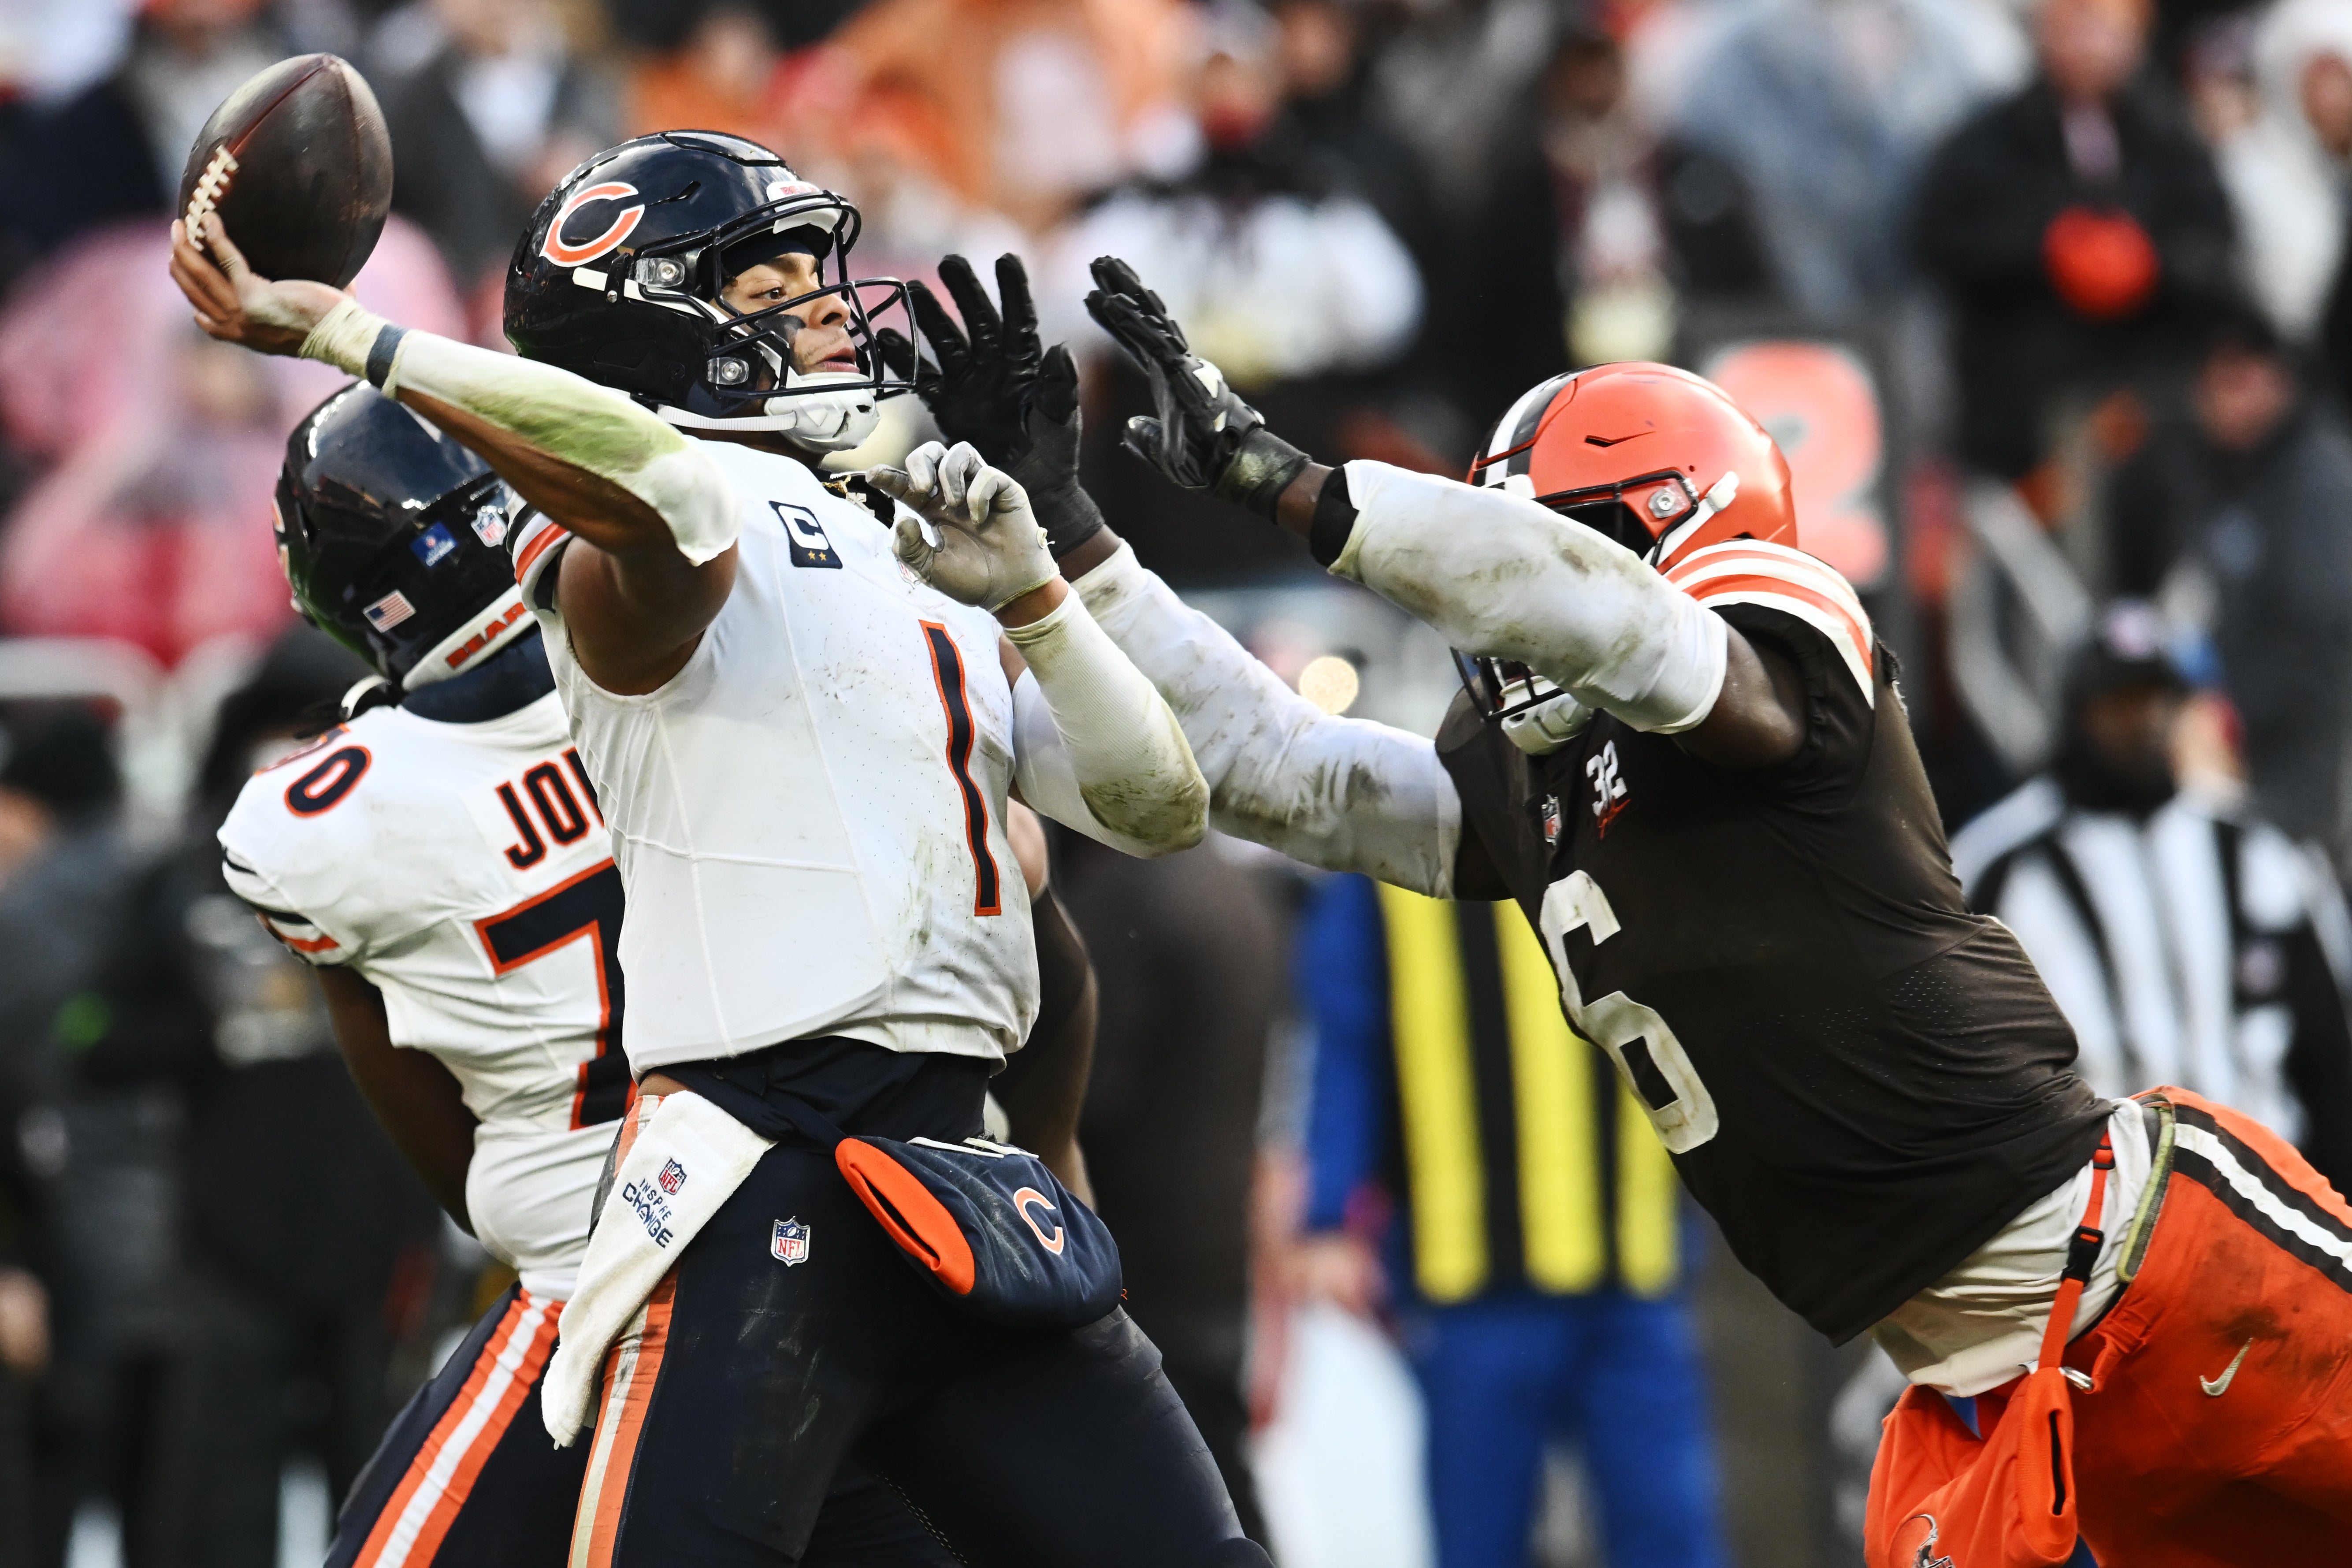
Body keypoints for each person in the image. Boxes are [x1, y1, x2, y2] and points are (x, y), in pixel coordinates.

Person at [892, 253, 2352, 1562]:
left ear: (1674, 530)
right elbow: (1277, 766)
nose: (1489, 606)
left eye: (1550, 535)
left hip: (2146, 1264)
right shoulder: (1530, 783)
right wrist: (1081, 547)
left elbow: (1616, 621)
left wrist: (1304, 490)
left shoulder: (1784, 658)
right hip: (1959, 1390)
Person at [167, 130, 1251, 1568]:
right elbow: (664, 499)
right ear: (650, 315)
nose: (823, 297)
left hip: (942, 1179)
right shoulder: (628, 555)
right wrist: (354, 336)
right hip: (757, 1182)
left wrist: (1046, 583)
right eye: (771, 271)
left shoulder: (885, 533)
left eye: (815, 263)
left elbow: (1157, 811)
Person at [215, 382, 1100, 1568]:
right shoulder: (767, 665)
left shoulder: (331, 814)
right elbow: (1053, 967)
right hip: (903, 1223)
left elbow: (456, 1165)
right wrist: (1044, 1171)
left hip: (609, 1279)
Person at [1293, 872, 1725, 1568]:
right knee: (1479, 1541)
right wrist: (1326, 1219)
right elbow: (1346, 1036)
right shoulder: (1385, 849)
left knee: (1668, 1530)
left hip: (1632, 1266)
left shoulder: (1621, 818)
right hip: (1468, 1277)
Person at [1951, 602, 2352, 1194]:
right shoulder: (1998, 864)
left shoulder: (2259, 851)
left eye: (2158, 700)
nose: (2144, 722)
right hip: (2091, 1213)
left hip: (2263, 1200)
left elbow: (2329, 1051)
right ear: (2077, 712)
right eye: (2120, 703)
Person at [1913, 0, 2236, 480]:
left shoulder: (2170, 137)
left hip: (2147, 403)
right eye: (2072, 27)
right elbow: (1937, 238)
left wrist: (2149, 261)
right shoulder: (1989, 140)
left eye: (2105, 29)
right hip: (2018, 413)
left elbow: (2216, 243)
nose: (2088, 46)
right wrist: (2047, 248)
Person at [2104, 307, 2352, 866]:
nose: (2222, 399)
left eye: (2239, 379)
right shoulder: (2197, 470)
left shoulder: (2319, 482)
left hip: (2286, 767)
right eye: (2212, 381)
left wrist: (2225, 715)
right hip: (2203, 751)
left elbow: (2318, 635)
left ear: (2278, 378)